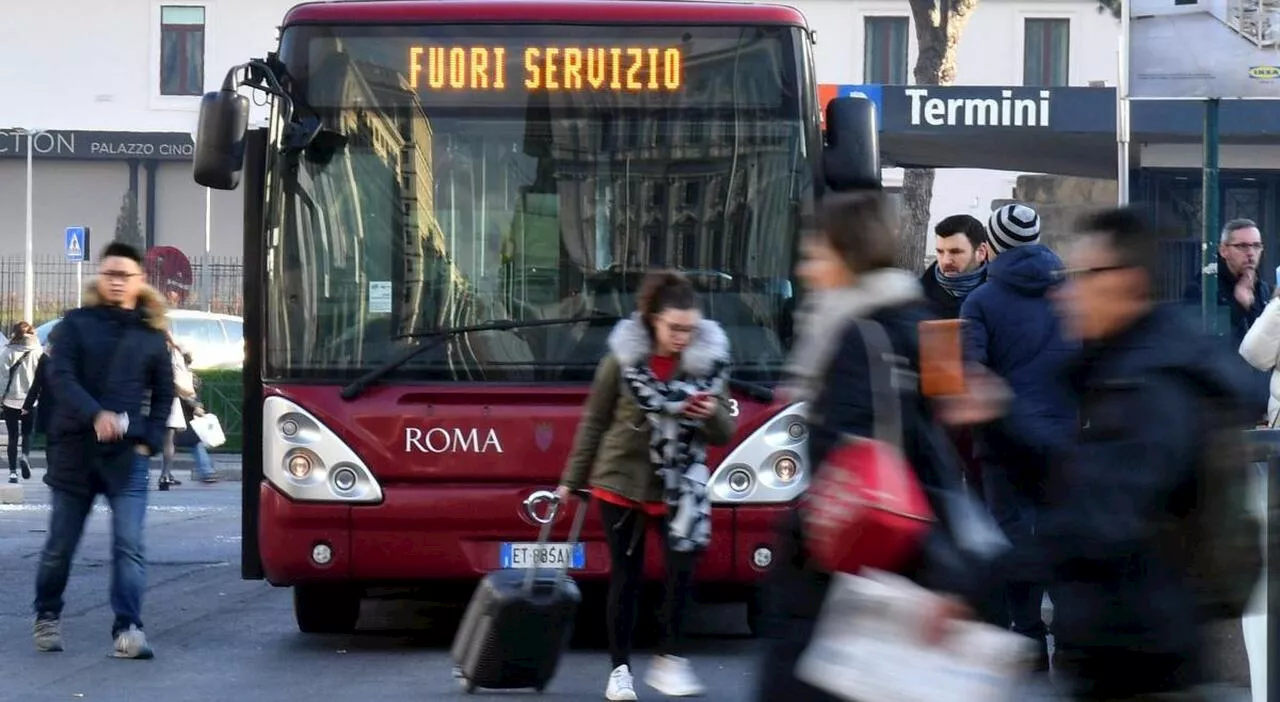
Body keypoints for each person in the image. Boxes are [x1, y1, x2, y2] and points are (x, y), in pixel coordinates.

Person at [942, 206, 1262, 699]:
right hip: (1118, 654)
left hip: (1145, 662)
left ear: (1127, 283)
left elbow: (1100, 522)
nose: (1065, 292)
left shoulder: (1152, 389)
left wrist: (976, 585)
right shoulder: (1122, 369)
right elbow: (1073, 482)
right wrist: (1001, 419)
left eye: (1085, 275)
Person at [754, 191, 991, 701]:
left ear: (846, 254)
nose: (808, 268)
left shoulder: (851, 335)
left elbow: (868, 467)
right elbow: (936, 450)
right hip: (897, 562)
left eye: (816, 253)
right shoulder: (920, 320)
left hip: (846, 571)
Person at [556, 270, 735, 701]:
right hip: (622, 481)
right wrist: (571, 482)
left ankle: (669, 657)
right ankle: (619, 670)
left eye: (689, 329)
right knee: (627, 578)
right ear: (652, 319)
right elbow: (595, 421)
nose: (681, 337)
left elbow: (724, 432)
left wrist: (709, 411)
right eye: (674, 327)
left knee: (682, 573)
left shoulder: (707, 363)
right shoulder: (622, 359)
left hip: (681, 487)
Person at [33, 241, 175, 660]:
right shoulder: (75, 325)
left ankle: (129, 628)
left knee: (129, 544)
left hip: (127, 458)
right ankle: (47, 614)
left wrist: (148, 439)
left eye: (125, 275)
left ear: (139, 281)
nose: (116, 282)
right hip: (74, 454)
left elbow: (164, 393)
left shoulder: (151, 336)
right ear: (100, 277)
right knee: (61, 544)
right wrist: (96, 414)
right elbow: (61, 378)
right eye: (109, 274)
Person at [958, 202, 1077, 669]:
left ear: (993, 246)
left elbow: (970, 369)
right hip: (1063, 438)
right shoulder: (1068, 293)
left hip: (1004, 442)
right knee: (1061, 535)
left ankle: (1027, 637)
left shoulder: (981, 301)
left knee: (1011, 536)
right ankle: (1068, 638)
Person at [1184, 218, 1270, 347]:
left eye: (1256, 246)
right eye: (1242, 246)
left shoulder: (1263, 289)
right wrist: (1239, 306)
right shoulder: (1203, 289)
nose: (1251, 253)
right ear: (1224, 250)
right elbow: (1206, 344)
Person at [160, 333, 217, 488]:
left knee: (167, 441)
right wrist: (195, 405)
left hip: (171, 406)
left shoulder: (167, 355)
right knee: (188, 441)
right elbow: (183, 389)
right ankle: (204, 471)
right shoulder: (179, 365)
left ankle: (165, 474)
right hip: (177, 408)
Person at [921, 214, 989, 319]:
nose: (946, 261)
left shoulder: (1002, 296)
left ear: (981, 252)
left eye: (955, 252)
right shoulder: (916, 299)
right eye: (940, 252)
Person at [3, 321, 42, 483]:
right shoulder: (38, 352)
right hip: (30, 401)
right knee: (27, 433)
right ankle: (25, 456)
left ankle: (12, 472)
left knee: (13, 436)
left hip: (11, 399)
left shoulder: (7, 352)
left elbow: (2, 377)